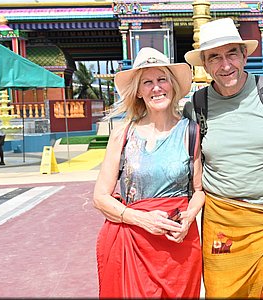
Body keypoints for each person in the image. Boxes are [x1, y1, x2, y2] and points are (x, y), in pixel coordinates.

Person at [183, 18, 263, 298]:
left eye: (232, 54)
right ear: (205, 64)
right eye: (214, 57)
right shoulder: (197, 106)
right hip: (222, 225)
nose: (225, 65)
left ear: (244, 55)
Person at [90, 47, 203, 298]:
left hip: (179, 244)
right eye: (147, 82)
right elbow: (100, 197)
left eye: (162, 79)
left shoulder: (191, 131)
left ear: (172, 86)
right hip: (134, 242)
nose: (156, 88)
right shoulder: (123, 134)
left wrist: (190, 217)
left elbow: (198, 190)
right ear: (139, 92)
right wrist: (141, 219)